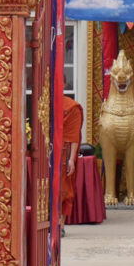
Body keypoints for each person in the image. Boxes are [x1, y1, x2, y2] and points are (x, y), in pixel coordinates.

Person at [61, 95, 83, 230]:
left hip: (64, 153)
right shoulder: (45, 103)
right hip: (46, 151)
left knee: (64, 189)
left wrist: (71, 159)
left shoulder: (71, 107)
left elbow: (73, 136)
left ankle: (60, 224)